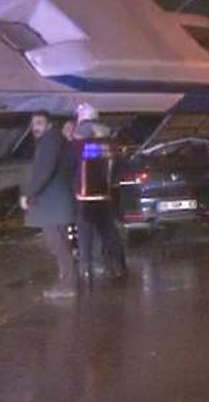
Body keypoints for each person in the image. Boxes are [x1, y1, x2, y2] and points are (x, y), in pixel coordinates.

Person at [21, 111, 79, 300]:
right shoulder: (57, 141)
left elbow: (43, 170)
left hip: (52, 205)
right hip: (58, 203)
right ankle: (67, 282)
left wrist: (29, 194)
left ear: (49, 125)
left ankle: (67, 285)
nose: (35, 127)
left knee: (57, 244)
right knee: (60, 243)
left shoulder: (48, 142)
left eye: (39, 123)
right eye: (33, 124)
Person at [71, 102, 126, 282]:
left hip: (85, 195)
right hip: (105, 194)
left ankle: (86, 270)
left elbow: (74, 159)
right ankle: (119, 267)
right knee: (109, 233)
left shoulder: (80, 143)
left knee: (85, 235)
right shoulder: (110, 145)